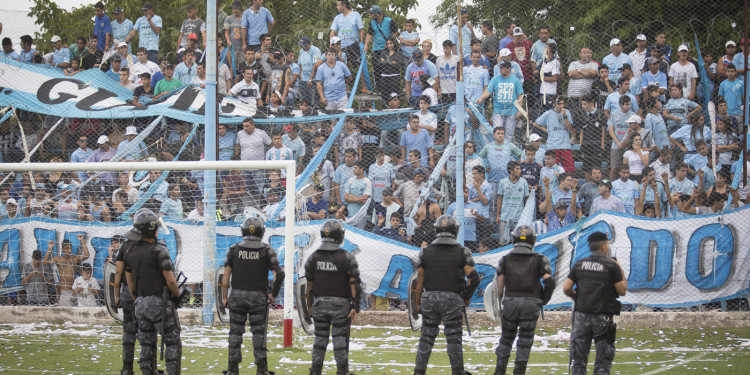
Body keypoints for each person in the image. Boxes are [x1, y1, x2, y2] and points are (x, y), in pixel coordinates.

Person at [412, 215, 478, 375]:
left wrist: (416, 304)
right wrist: (466, 297)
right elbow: (474, 278)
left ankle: (419, 372)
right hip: (452, 299)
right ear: (455, 231)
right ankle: (457, 371)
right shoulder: (463, 252)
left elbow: (419, 281)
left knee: (426, 337)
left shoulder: (425, 252)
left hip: (429, 298)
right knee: (454, 337)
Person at [122, 209, 183, 375]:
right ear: (151, 230)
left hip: (140, 303)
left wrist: (137, 299)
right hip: (159, 301)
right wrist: (177, 296)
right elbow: (170, 280)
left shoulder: (129, 252)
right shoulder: (159, 251)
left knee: (146, 344)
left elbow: (130, 283)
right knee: (172, 342)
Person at [221, 217, 284, 375]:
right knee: (259, 333)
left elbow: (225, 277)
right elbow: (279, 274)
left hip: (237, 295)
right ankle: (261, 370)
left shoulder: (234, 249)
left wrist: (224, 297)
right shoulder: (267, 250)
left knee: (235, 332)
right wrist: (273, 294)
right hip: (258, 297)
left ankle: (232, 369)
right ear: (262, 231)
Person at [563, 231, 627, 375]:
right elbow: (622, 290)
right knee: (603, 363)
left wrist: (576, 297)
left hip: (581, 317)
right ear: (603, 246)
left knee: (578, 362)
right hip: (602, 317)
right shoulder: (612, 266)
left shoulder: (579, 264)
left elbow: (566, 287)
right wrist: (620, 268)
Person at [493, 225, 554, 375]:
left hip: (511, 301)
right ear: (533, 240)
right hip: (531, 302)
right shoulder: (540, 259)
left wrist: (499, 306)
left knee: (506, 338)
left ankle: (499, 371)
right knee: (525, 341)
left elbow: (499, 289)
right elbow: (550, 282)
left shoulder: (505, 259)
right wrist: (543, 299)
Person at [304, 220, 362, 375]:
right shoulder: (347, 257)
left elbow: (308, 285)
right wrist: (356, 307)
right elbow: (355, 284)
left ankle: (315, 371)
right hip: (340, 304)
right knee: (339, 340)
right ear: (340, 236)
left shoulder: (313, 257)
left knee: (320, 340)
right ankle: (342, 371)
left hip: (319, 303)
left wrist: (309, 306)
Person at [43, 234, 90, 306]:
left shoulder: (74, 258)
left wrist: (82, 241)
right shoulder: (58, 259)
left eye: (71, 248)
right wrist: (49, 248)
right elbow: (44, 262)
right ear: (63, 249)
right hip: (65, 291)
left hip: (75, 290)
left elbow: (87, 255)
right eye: (67, 248)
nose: (69, 250)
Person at [533, 96, 575, 172]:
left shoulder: (566, 112)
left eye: (562, 104)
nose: (561, 106)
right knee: (551, 169)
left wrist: (564, 117)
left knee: (570, 169)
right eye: (559, 104)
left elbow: (570, 128)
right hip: (553, 145)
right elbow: (535, 124)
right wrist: (547, 130)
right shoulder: (548, 113)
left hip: (565, 145)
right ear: (554, 104)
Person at [496, 161, 530, 245]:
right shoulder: (503, 182)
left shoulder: (523, 182)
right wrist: (497, 215)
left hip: (519, 218)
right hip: (505, 217)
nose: (520, 171)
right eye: (517, 169)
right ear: (511, 171)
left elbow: (527, 199)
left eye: (520, 168)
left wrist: (527, 214)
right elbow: (499, 199)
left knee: (520, 243)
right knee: (502, 243)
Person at [330, 0, 364, 74]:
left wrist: (361, 43)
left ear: (344, 5)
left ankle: (364, 85)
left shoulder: (355, 15)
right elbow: (332, 32)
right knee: (341, 66)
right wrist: (331, 44)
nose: (337, 7)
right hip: (341, 46)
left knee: (358, 66)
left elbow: (361, 30)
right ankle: (345, 85)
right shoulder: (337, 17)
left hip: (353, 44)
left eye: (338, 5)